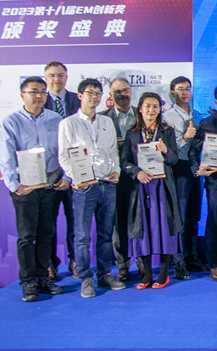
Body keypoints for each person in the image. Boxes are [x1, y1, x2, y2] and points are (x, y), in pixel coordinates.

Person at [0, 77, 67, 301]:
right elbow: (6, 156)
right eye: (33, 92)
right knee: (27, 236)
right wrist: (15, 185)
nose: (39, 96)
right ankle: (28, 281)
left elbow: (65, 151)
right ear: (23, 95)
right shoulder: (11, 121)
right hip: (25, 187)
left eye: (42, 92)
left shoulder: (55, 119)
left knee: (47, 234)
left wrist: (66, 176)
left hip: (50, 184)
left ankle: (43, 278)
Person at [57, 78, 125, 297]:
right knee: (82, 236)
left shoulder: (106, 122)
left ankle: (105, 275)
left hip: (107, 184)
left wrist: (117, 171)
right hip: (84, 187)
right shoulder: (68, 123)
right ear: (80, 96)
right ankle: (86, 278)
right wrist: (75, 177)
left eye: (97, 93)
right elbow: (63, 156)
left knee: (106, 235)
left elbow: (113, 151)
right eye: (90, 93)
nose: (94, 97)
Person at [121, 93, 182, 289]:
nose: (151, 110)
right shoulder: (132, 133)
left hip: (162, 187)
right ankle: (147, 274)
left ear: (160, 109)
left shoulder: (167, 131)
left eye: (155, 106)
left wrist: (166, 150)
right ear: (140, 109)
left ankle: (163, 274)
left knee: (164, 228)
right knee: (143, 230)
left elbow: (174, 160)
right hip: (141, 187)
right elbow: (124, 161)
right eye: (147, 106)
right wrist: (136, 172)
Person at [188, 84, 217, 283]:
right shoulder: (207, 123)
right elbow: (193, 150)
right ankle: (214, 264)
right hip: (215, 181)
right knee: (214, 222)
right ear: (216, 102)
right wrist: (197, 169)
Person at [99, 77, 139, 281]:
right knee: (118, 223)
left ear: (131, 92)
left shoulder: (142, 114)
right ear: (110, 95)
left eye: (125, 90)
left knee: (139, 220)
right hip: (113, 177)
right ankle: (122, 264)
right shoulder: (102, 119)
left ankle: (142, 261)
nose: (122, 95)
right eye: (117, 92)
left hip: (139, 175)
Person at [162, 76, 202, 279]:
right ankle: (178, 262)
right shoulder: (167, 117)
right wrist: (185, 137)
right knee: (180, 217)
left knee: (194, 216)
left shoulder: (197, 114)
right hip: (178, 167)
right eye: (180, 89)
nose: (185, 92)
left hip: (196, 167)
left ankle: (191, 257)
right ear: (172, 92)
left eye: (187, 88)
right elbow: (167, 148)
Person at [43, 61, 80, 280]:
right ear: (46, 78)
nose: (56, 79)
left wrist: (71, 173)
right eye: (52, 75)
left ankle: (75, 260)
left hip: (76, 171)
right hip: (48, 173)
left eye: (60, 75)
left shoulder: (78, 100)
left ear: (66, 77)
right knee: (48, 222)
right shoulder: (40, 100)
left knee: (75, 221)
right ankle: (50, 264)